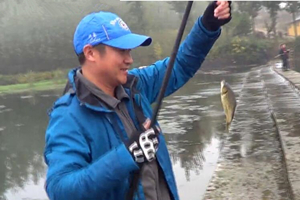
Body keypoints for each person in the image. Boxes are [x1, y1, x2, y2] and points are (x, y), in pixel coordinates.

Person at [43, 1, 232, 200]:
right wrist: (127, 155)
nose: (129, 59)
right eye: (121, 50)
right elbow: (60, 189)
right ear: (91, 53)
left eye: (130, 51)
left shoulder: (134, 86)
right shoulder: (68, 116)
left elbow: (179, 66)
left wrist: (207, 26)